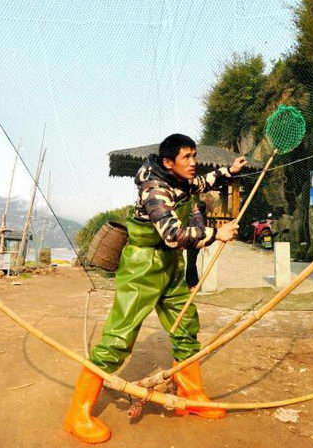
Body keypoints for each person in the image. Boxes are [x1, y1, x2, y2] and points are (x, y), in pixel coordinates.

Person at [63, 134, 245, 443]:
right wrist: (217, 233)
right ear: (168, 163)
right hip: (142, 267)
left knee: (186, 327)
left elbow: (201, 182)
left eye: (194, 156)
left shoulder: (180, 178)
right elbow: (173, 234)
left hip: (169, 265)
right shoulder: (155, 190)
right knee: (118, 339)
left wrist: (230, 172)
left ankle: (191, 395)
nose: (194, 163)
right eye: (187, 157)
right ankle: (77, 413)